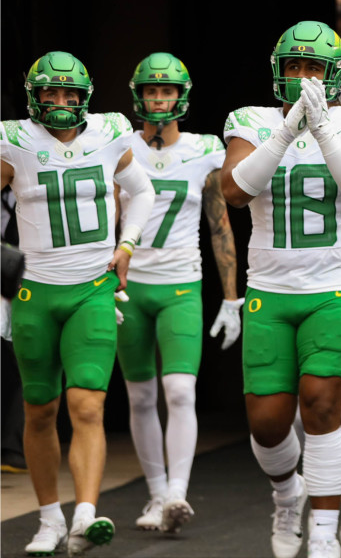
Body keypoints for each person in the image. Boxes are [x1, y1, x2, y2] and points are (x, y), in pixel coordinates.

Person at [221, 21, 341, 558]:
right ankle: (287, 495)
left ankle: (323, 531)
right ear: (277, 71)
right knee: (267, 424)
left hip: (336, 285)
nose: (302, 76)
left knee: (321, 406)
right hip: (270, 286)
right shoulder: (251, 119)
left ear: (334, 76)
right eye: (293, 66)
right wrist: (288, 131)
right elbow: (235, 191)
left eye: (313, 67)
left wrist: (322, 129)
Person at [3, 51, 156, 556]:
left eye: (71, 94)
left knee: (87, 404)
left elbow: (144, 191)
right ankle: (48, 519)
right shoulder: (15, 140)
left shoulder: (110, 132)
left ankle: (85, 516)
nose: (62, 102)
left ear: (86, 98)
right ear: (35, 95)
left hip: (92, 286)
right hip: (34, 292)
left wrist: (128, 242)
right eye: (51, 92)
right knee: (40, 409)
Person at [116, 51, 240, 535]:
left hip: (181, 284)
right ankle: (153, 493)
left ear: (181, 96)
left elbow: (219, 224)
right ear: (138, 95)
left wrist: (231, 295)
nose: (159, 98)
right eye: (152, 90)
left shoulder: (204, 149)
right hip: (130, 284)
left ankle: (177, 494)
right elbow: (106, 216)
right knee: (141, 396)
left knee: (180, 389)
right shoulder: (120, 145)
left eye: (167, 90)